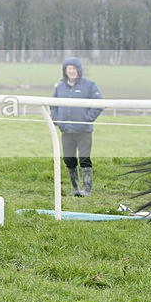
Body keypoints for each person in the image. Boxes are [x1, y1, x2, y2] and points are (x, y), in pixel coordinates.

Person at [50, 57, 103, 197]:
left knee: (84, 160)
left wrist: (88, 119)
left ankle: (86, 191)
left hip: (84, 132)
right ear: (65, 71)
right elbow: (52, 105)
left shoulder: (90, 85)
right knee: (69, 160)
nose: (71, 71)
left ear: (78, 70)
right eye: (69, 69)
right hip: (66, 131)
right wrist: (57, 120)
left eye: (74, 68)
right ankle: (75, 189)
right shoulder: (59, 87)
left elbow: (99, 104)